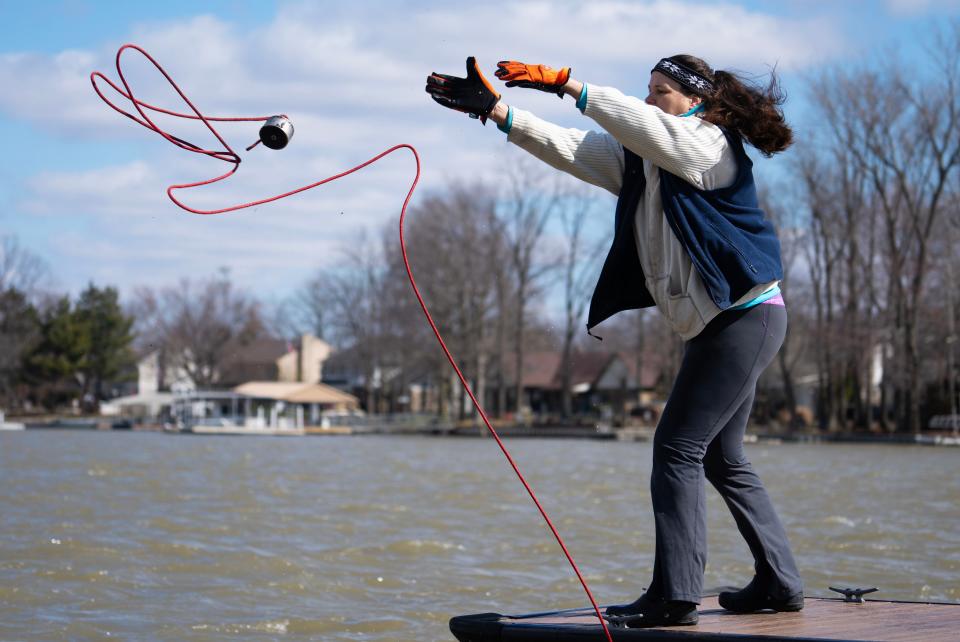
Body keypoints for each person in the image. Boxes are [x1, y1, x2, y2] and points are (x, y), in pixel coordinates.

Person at [426, 55, 804, 628]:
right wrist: (502, 114)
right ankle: (779, 581)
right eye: (646, 90)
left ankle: (674, 597)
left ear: (698, 102)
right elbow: (573, 148)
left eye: (664, 91)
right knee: (723, 457)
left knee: (677, 448)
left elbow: (648, 128)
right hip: (722, 325)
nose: (651, 100)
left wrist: (568, 84)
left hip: (744, 319)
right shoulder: (642, 162)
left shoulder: (709, 146)